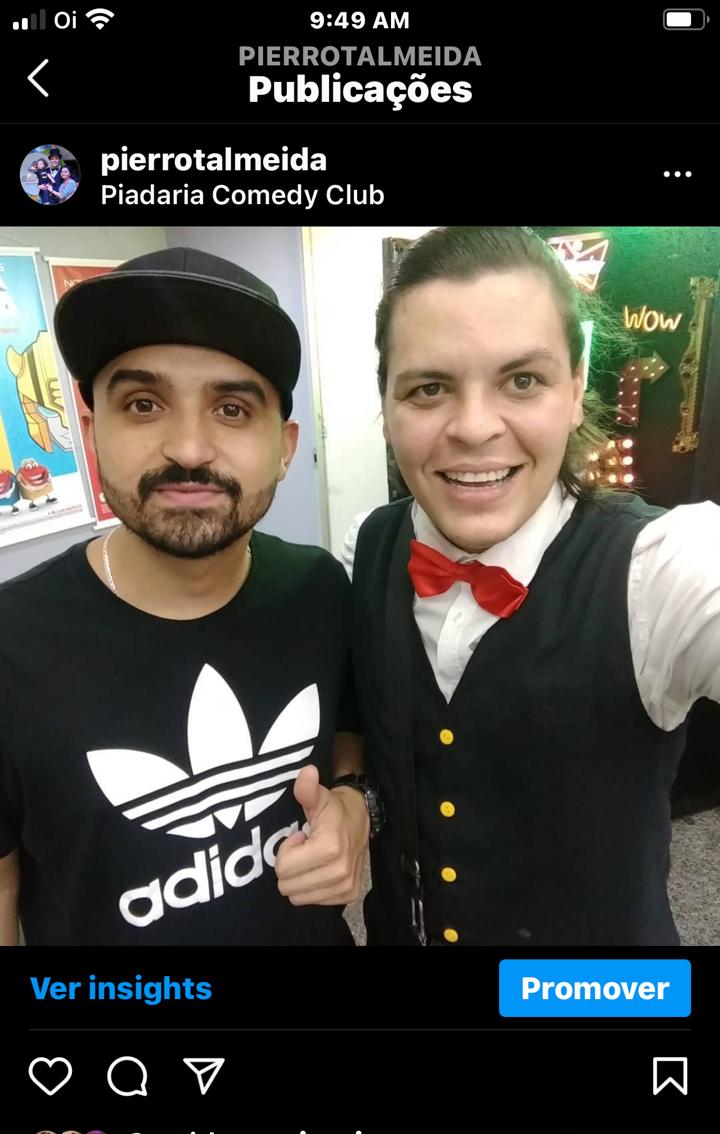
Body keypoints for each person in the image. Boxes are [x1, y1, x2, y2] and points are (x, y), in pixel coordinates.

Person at [346, 225, 720, 946]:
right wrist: (351, 794)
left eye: (522, 380)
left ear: (575, 390)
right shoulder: (368, 542)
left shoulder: (662, 569)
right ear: (387, 404)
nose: (474, 428)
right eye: (429, 388)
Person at [0, 247, 369, 946]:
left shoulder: (319, 589)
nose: (191, 448)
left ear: (285, 448)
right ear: (92, 433)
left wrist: (354, 800)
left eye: (232, 408)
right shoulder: (11, 645)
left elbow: (347, 732)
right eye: (144, 405)